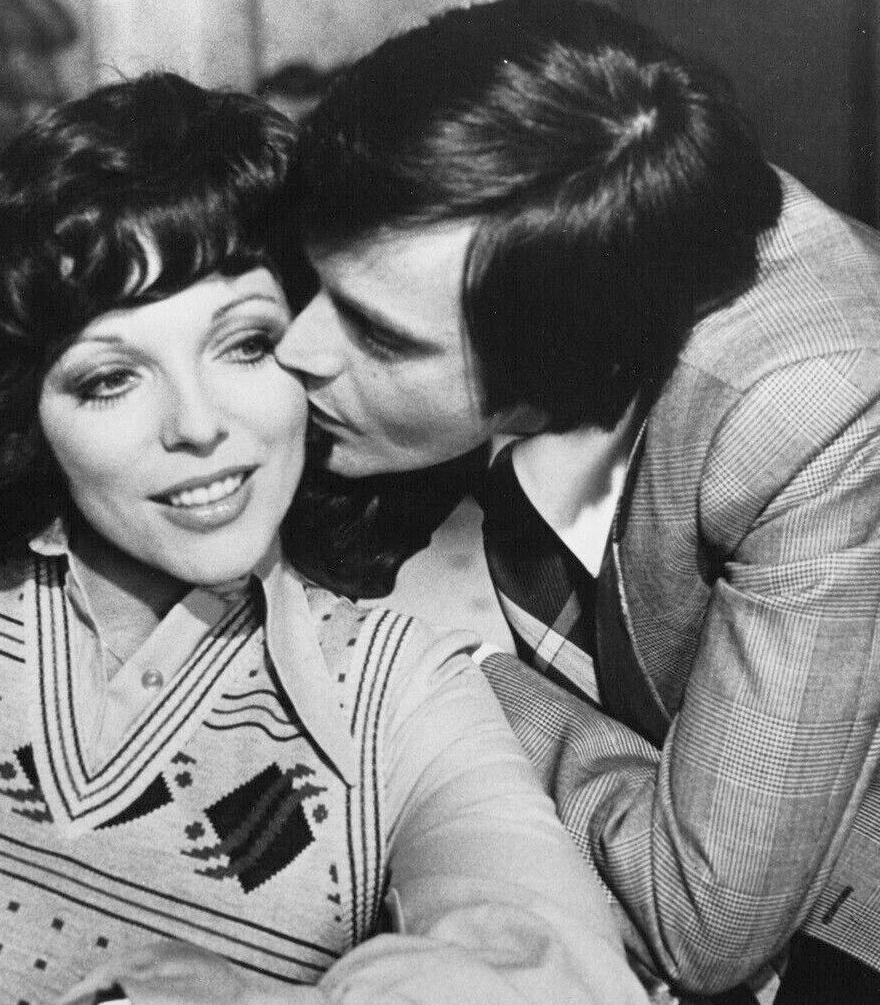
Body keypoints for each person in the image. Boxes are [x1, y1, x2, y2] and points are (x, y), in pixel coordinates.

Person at [0, 73, 647, 1005]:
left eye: (244, 344)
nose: (198, 426)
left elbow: (559, 979)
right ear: (21, 412)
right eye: (109, 378)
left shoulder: (402, 699)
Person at [274, 1, 880, 1002]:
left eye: (376, 336)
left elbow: (703, 922)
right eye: (310, 281)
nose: (296, 347)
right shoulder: (553, 220)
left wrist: (422, 679)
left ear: (552, 367)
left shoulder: (811, 406)